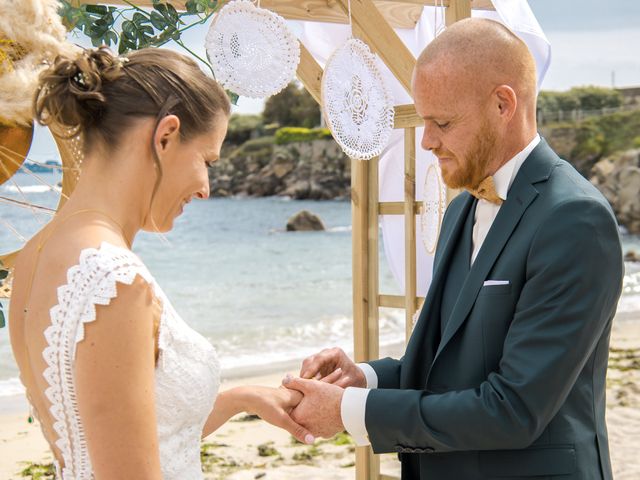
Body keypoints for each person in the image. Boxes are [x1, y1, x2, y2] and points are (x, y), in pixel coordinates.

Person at [283, 18, 624, 479]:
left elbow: (514, 408)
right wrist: (364, 377)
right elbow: (447, 364)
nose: (427, 141)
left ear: (504, 104)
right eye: (424, 121)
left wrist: (349, 411)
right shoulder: (461, 208)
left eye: (442, 122)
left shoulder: (575, 219)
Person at [8, 46, 315, 480]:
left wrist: (240, 398)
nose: (207, 188)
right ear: (166, 135)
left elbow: (106, 442)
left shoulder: (35, 257)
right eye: (206, 160)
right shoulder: (115, 281)